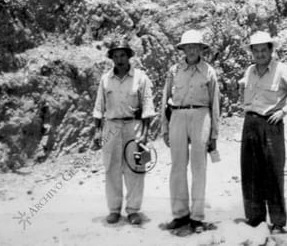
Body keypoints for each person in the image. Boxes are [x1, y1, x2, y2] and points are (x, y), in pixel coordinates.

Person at [238, 31, 287, 234]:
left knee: (273, 173)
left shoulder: (282, 70)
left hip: (271, 124)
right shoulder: (250, 71)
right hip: (250, 124)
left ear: (271, 50)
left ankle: (278, 222)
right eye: (256, 50)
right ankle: (255, 219)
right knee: (250, 173)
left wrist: (284, 111)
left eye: (264, 49)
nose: (260, 54)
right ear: (252, 52)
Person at [161, 29, 220, 233]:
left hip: (201, 116)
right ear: (183, 49)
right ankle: (180, 214)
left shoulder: (209, 71)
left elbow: (215, 105)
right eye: (188, 46)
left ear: (201, 49)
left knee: (199, 168)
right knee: (177, 167)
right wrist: (164, 128)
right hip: (177, 116)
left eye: (196, 46)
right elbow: (165, 99)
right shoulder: (174, 70)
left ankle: (197, 217)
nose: (192, 50)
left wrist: (214, 134)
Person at [92, 39, 156, 225]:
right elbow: (99, 107)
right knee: (111, 168)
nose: (119, 59)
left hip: (133, 127)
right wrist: (97, 131)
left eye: (122, 55)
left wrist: (145, 133)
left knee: (135, 168)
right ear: (111, 58)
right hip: (111, 127)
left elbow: (148, 107)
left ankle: (133, 210)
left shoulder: (141, 78)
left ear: (129, 56)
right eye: (115, 55)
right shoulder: (106, 79)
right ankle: (114, 210)